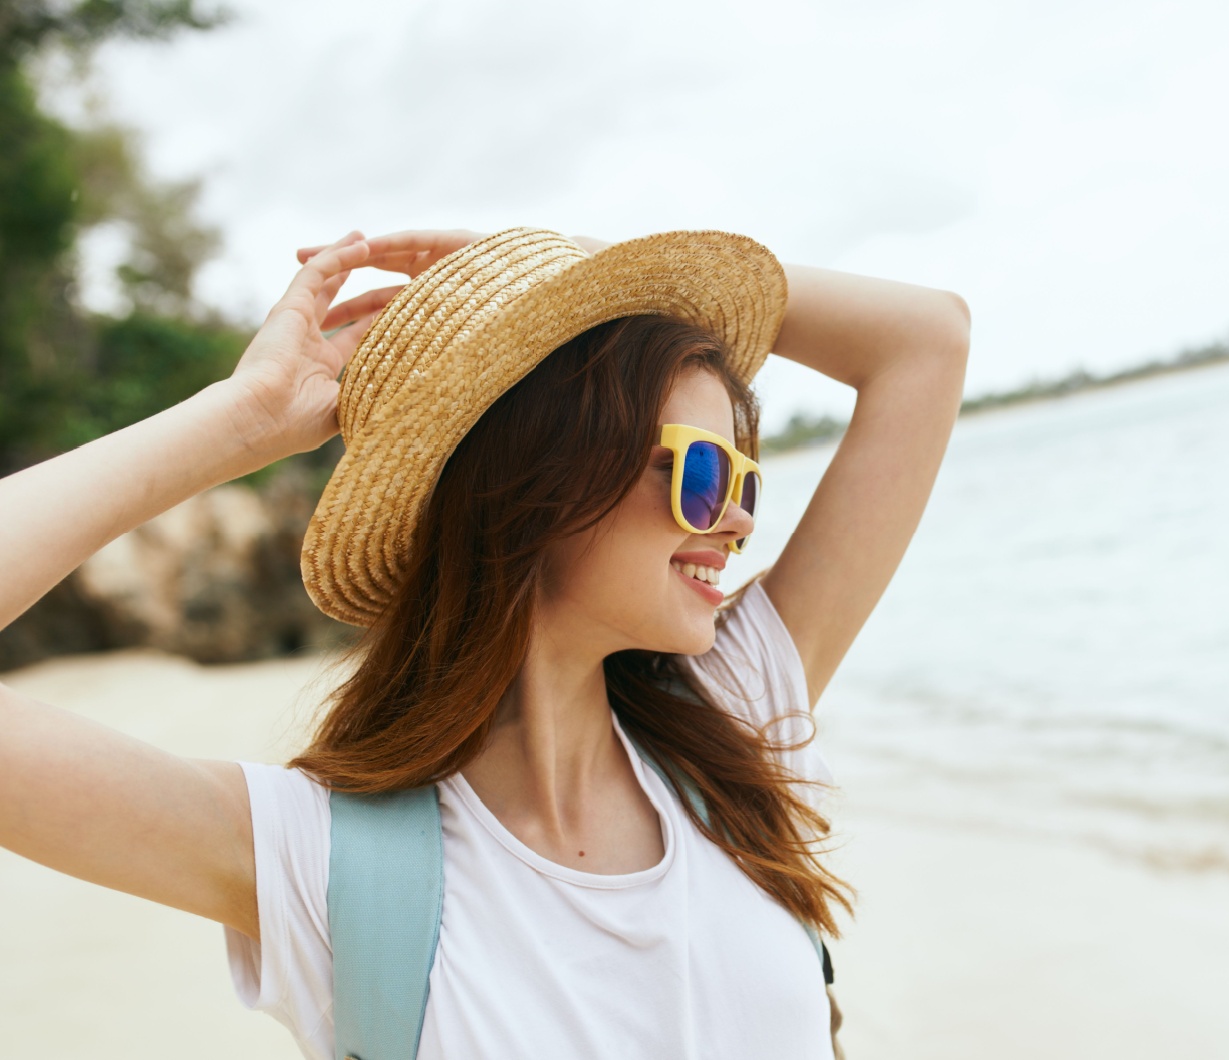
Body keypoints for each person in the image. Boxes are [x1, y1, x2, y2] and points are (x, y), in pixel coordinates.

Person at [0, 226, 970, 1058]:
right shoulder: (319, 860)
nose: (735, 522)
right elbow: (923, 343)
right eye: (703, 472)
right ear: (546, 475)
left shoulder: (732, 718)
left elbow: (927, 340)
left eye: (744, 480)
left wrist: (599, 274)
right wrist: (243, 418)